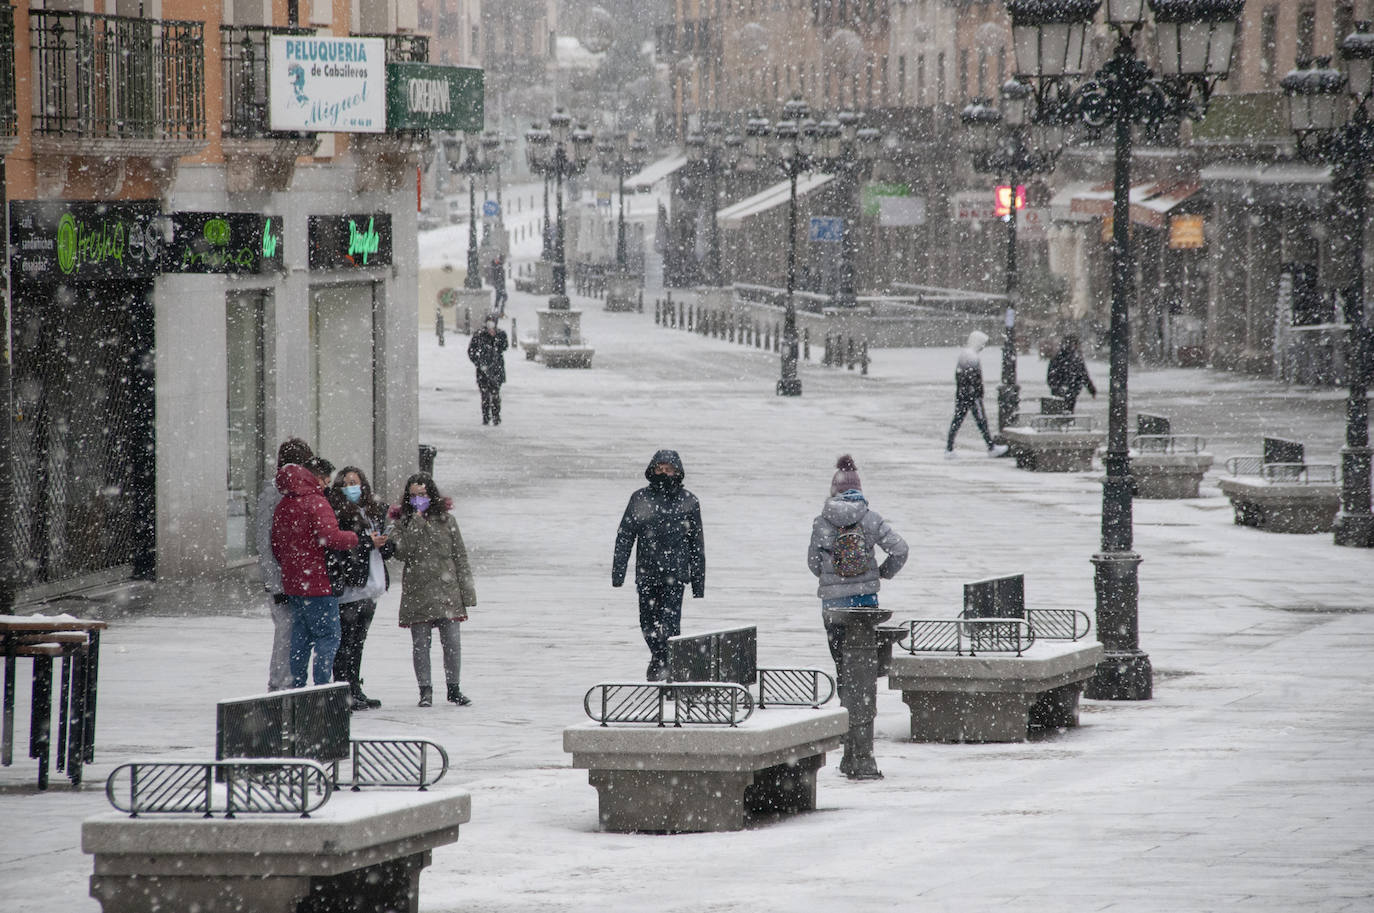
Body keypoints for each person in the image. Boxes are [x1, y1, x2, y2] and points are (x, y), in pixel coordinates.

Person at [807, 455, 909, 694]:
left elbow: (813, 563)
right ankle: (862, 700)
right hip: (865, 599)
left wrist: (831, 577)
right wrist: (882, 572)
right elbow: (901, 549)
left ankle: (846, 702)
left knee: (840, 657)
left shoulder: (822, 521)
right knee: (863, 655)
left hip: (833, 603)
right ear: (859, 490)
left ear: (834, 490)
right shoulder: (871, 518)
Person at [612, 450, 706, 681]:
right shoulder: (640, 498)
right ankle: (661, 658)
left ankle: (671, 671)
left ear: (677, 471)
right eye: (660, 468)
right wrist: (618, 573)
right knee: (647, 624)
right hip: (647, 573)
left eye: (669, 469)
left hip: (675, 576)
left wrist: (698, 583)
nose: (664, 473)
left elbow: (697, 544)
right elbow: (625, 536)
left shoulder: (689, 501)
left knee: (671, 625)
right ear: (652, 470)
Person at [390, 472, 476, 707]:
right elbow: (402, 551)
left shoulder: (447, 521)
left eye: (424, 494)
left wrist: (467, 593)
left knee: (452, 643)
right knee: (420, 645)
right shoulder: (401, 523)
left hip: (447, 592)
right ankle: (425, 690)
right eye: (414, 495)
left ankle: (454, 688)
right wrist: (416, 521)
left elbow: (460, 557)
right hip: (417, 593)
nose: (419, 498)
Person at [271, 456, 358, 688]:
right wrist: (355, 537)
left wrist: (294, 567)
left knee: (300, 638)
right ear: (317, 478)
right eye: (326, 481)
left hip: (294, 584)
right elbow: (331, 537)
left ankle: (296, 687)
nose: (326, 486)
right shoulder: (316, 503)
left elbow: (276, 546)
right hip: (318, 583)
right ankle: (322, 689)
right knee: (328, 637)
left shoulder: (284, 504)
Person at [327, 467, 393, 711]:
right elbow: (342, 546)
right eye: (346, 483)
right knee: (346, 642)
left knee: (358, 643)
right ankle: (343, 689)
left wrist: (386, 544)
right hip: (352, 588)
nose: (351, 487)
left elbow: (381, 549)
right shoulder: (339, 513)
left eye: (354, 482)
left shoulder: (373, 511)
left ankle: (355, 686)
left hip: (372, 586)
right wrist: (367, 543)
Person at [256, 437, 313, 691]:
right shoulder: (274, 492)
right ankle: (278, 685)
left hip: (298, 578)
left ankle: (289, 683)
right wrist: (274, 583)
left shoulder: (300, 492)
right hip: (283, 581)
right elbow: (264, 540)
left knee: (295, 633)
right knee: (286, 633)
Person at [945, 330, 1009, 458]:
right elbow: (973, 379)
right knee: (980, 421)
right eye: (982, 343)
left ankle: (950, 447)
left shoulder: (966, 355)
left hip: (964, 395)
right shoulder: (971, 357)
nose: (983, 346)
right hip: (971, 396)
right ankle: (990, 447)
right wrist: (976, 393)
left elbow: (961, 377)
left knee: (959, 421)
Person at [467, 314, 508, 425]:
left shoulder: (501, 334)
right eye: (489, 321)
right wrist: (479, 363)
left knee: (495, 394)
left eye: (492, 321)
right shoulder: (479, 335)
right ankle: (486, 417)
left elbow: (504, 346)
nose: (491, 324)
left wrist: (496, 338)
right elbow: (471, 351)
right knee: (485, 395)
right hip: (482, 370)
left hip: (496, 368)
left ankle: (496, 417)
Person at [1047, 333, 1097, 413]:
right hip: (1071, 391)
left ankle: (1063, 422)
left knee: (1058, 412)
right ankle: (1068, 422)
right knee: (1068, 412)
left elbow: (1051, 376)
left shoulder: (1057, 358)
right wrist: (1091, 389)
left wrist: (1056, 387)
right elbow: (1084, 375)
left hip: (1062, 391)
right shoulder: (1076, 359)